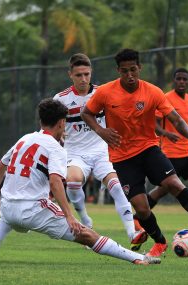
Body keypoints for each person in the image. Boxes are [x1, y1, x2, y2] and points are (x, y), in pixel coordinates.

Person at [0, 98, 159, 265]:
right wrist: (69, 216)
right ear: (62, 123)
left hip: (7, 209)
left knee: (10, 215)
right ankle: (137, 258)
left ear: (41, 121)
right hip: (32, 211)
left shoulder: (24, 139)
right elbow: (55, 182)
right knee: (87, 235)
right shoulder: (55, 148)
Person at [81, 48, 188, 257]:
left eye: (133, 70)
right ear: (118, 71)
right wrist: (101, 131)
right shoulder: (105, 92)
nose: (129, 75)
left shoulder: (153, 92)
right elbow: (86, 113)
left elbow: (175, 118)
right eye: (124, 71)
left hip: (149, 149)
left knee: (174, 184)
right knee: (142, 208)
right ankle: (160, 242)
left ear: (139, 68)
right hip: (122, 158)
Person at [52, 53, 145, 245]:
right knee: (74, 181)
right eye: (78, 75)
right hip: (75, 152)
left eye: (86, 74)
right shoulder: (60, 99)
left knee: (117, 186)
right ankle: (85, 220)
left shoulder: (102, 92)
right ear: (70, 75)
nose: (83, 79)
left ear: (91, 72)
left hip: (102, 149)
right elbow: (52, 127)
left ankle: (132, 233)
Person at [140, 67, 188, 233]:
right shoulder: (165, 98)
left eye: (185, 79)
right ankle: (139, 217)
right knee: (165, 189)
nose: (182, 82)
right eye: (178, 79)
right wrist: (165, 133)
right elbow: (154, 123)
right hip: (171, 153)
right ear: (174, 80)